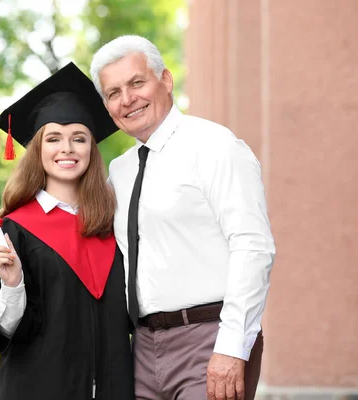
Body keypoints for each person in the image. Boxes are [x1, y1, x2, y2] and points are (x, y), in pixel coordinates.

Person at [89, 35, 276, 400]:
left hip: (208, 339)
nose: (127, 99)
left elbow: (253, 247)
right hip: (141, 348)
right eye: (113, 93)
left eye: (137, 82)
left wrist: (232, 346)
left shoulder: (214, 146)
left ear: (167, 80)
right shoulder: (120, 172)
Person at [0, 62, 134, 400]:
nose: (67, 149)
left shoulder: (115, 225)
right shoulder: (12, 233)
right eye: (54, 138)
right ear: (38, 150)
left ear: (92, 148)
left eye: (79, 138)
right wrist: (13, 284)